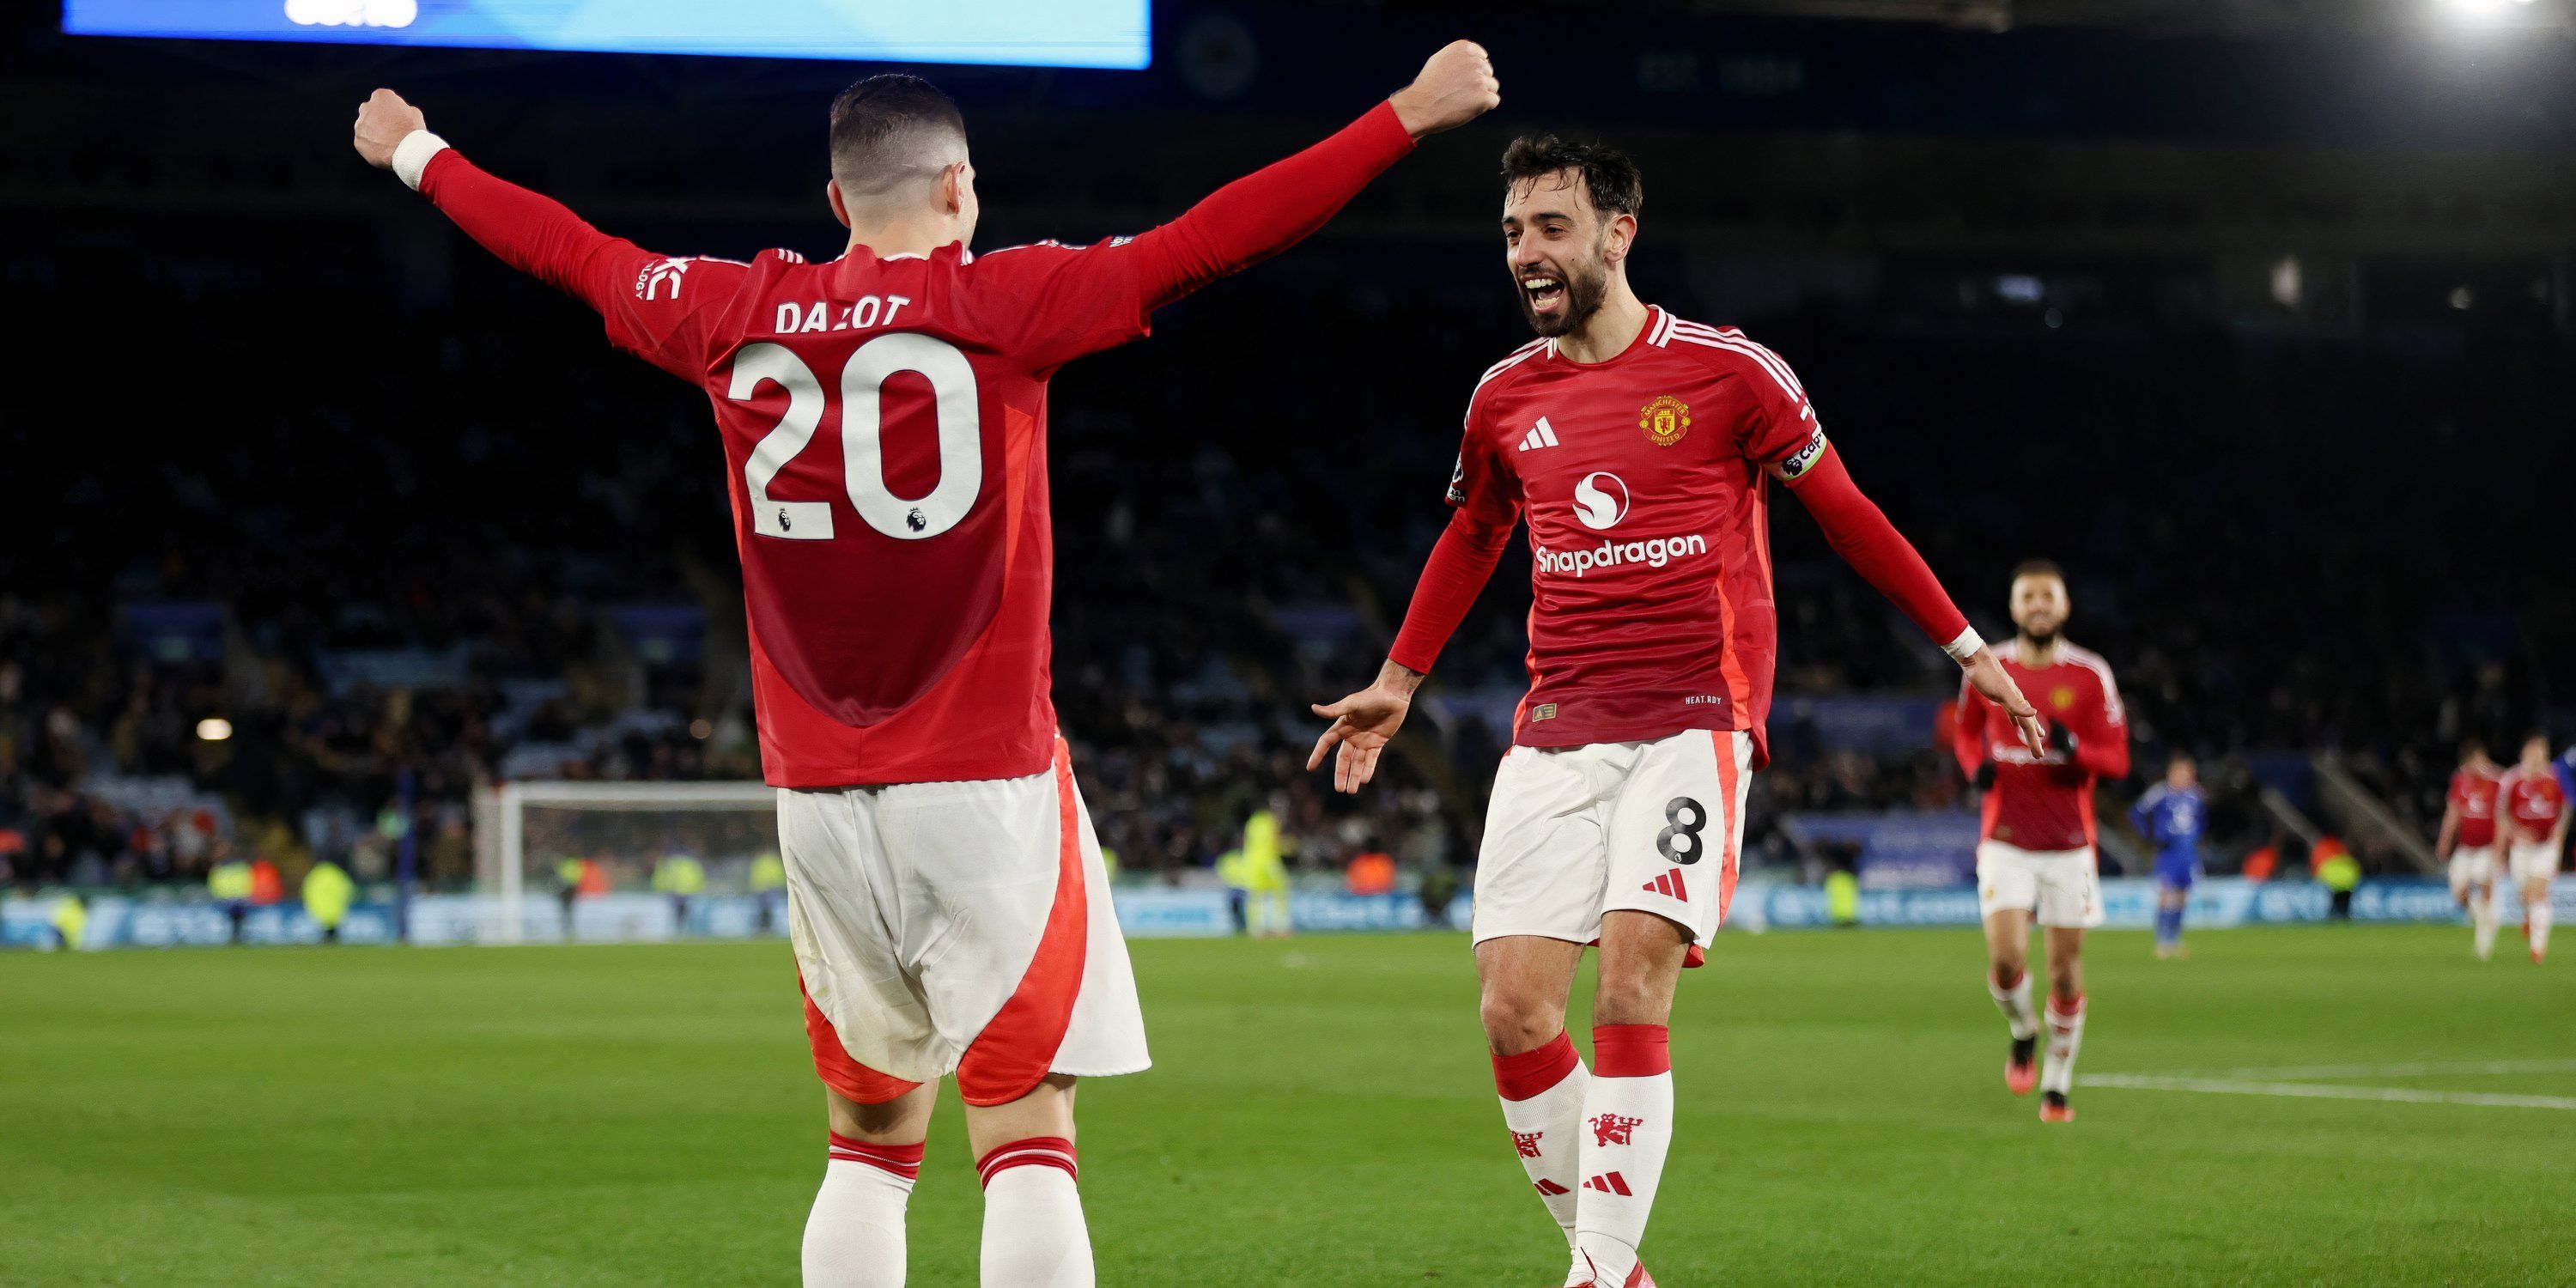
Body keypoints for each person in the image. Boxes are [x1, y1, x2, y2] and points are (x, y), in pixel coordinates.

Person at [354, 45, 1498, 1288]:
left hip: (813, 800)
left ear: (837, 204)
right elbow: (1214, 238)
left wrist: (418, 151)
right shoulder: (1005, 303)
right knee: (1022, 1134)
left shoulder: (725, 311)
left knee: (868, 1142)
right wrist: (1407, 114)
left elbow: (566, 250)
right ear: (958, 188)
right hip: (983, 783)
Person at [1305, 135, 2042, 1288]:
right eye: (1511, 233)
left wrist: (1964, 646)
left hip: (1696, 716)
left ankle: (1596, 1274)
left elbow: (1849, 514)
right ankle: (1619, 1269)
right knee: (1512, 1007)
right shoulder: (1503, 398)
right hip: (1558, 725)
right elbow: (1474, 533)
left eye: (1550, 228)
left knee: (1635, 970)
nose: (1527, 254)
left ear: (1617, 233)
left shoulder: (1731, 372)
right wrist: (1398, 681)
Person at [1953, 561, 2131, 1124]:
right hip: (2005, 836)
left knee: (2064, 972)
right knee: (2006, 962)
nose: (2037, 605)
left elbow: (2119, 760)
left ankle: (2056, 1086)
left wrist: (2079, 750)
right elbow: (1964, 731)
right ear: (2013, 607)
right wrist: (1973, 765)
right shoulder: (1988, 667)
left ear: (2064, 606)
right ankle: (2023, 1028)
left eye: (2047, 596)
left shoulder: (2090, 674)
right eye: (2027, 596)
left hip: (2068, 842)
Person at [2433, 738, 2506, 960]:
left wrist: (2499, 849)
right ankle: (2486, 917)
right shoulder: (2460, 781)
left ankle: (2483, 946)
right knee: (2459, 892)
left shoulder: (2499, 782)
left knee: (2485, 887)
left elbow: (2504, 818)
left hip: (2487, 848)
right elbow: (2454, 812)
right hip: (2465, 848)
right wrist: (2445, 839)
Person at [2130, 753, 2207, 958]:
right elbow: (2137, 812)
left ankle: (2175, 939)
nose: (2184, 776)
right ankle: (2162, 941)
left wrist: (2196, 836)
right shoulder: (2160, 793)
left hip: (2187, 853)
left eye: (2188, 773)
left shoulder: (2195, 795)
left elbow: (2201, 819)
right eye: (2181, 772)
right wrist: (2150, 836)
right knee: (2166, 895)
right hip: (2168, 853)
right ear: (2171, 773)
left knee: (2183, 897)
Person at [2497, 733, 2565, 963]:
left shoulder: (2555, 779)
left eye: (2542, 753)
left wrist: (2558, 837)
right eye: (2534, 753)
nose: (2538, 758)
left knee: (2539, 894)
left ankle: (2538, 948)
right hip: (2520, 848)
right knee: (2525, 895)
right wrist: (2513, 835)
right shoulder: (2512, 779)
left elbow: (2564, 811)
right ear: (2525, 753)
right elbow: (2502, 814)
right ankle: (2527, 916)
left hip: (2545, 847)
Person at [302, 859, 355, 945]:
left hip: (319, 909)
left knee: (325, 928)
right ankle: (331, 940)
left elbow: (306, 890)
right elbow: (348, 890)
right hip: (335, 910)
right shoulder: (337, 874)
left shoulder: (315, 875)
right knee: (332, 930)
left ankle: (326, 939)